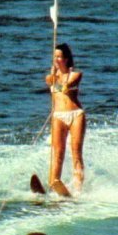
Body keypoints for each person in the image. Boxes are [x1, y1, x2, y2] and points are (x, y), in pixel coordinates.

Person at [45, 43, 86, 192]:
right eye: (54, 57)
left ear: (67, 59)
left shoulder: (76, 75)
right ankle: (53, 184)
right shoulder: (50, 77)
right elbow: (50, 82)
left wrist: (58, 78)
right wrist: (53, 76)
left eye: (59, 57)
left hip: (75, 115)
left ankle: (78, 190)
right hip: (58, 115)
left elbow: (66, 86)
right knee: (57, 153)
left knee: (76, 153)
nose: (56, 59)